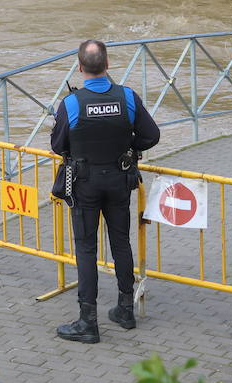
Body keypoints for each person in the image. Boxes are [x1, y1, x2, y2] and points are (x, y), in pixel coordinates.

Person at [51, 39, 160, 343]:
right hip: (119, 179)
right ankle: (125, 309)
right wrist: (128, 149)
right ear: (108, 64)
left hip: (84, 183)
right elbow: (151, 135)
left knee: (86, 249)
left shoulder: (71, 104)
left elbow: (58, 146)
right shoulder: (127, 97)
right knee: (121, 241)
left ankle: (88, 322)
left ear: (80, 67)